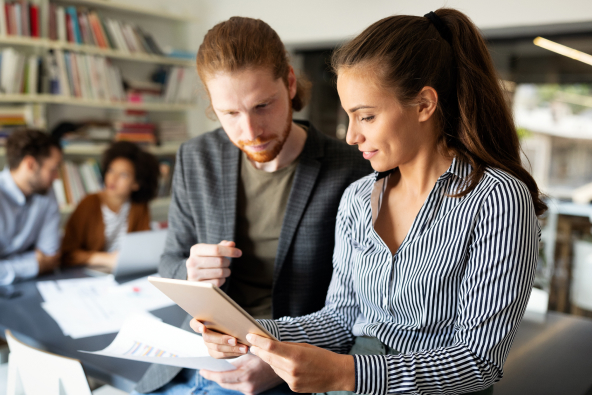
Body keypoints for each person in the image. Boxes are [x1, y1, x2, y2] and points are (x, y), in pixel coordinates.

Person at [196, 8, 547, 395]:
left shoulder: (497, 200)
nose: (350, 137)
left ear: (424, 105)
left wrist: (348, 374)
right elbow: (341, 319)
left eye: (365, 117)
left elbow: (478, 361)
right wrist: (248, 331)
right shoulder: (358, 199)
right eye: (349, 117)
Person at [133, 16, 372, 395]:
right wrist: (190, 270)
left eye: (262, 105)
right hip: (194, 357)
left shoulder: (354, 170)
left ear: (290, 83)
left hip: (284, 368)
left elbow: (360, 310)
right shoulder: (196, 157)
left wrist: (277, 366)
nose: (250, 132)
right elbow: (170, 263)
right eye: (230, 113)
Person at [61, 141, 160, 271]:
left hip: (125, 272)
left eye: (123, 174)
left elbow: (142, 248)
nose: (112, 179)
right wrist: (107, 259)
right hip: (88, 275)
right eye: (110, 170)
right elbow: (67, 254)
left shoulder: (139, 206)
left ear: (136, 183)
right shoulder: (89, 203)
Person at [0, 129, 62, 285]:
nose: (57, 177)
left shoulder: (46, 193)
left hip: (27, 286)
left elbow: (50, 257)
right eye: (53, 169)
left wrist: (6, 266)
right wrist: (34, 264)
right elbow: (42, 262)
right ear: (30, 164)